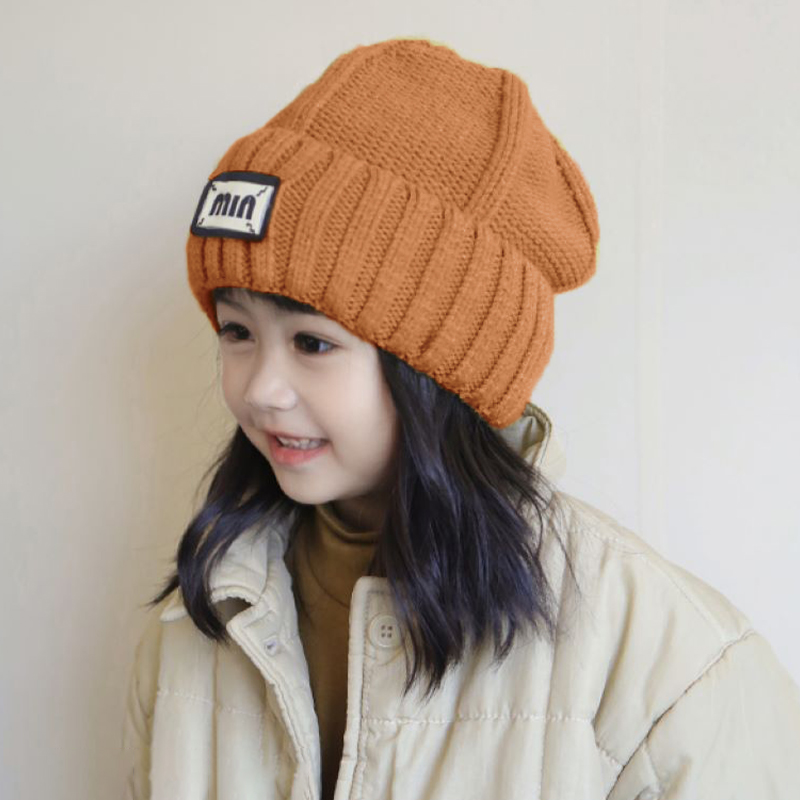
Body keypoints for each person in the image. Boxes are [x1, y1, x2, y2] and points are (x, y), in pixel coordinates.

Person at [122, 37, 800, 800]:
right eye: (237, 332)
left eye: (312, 342)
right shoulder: (202, 617)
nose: (261, 389)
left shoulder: (668, 668)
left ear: (444, 372)